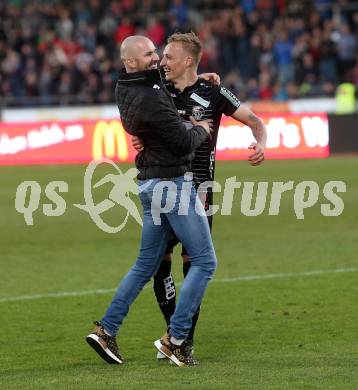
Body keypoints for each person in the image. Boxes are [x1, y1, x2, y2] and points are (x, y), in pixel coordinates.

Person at [132, 32, 267, 362]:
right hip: (163, 185)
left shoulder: (214, 92)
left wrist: (261, 143)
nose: (161, 62)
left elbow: (254, 120)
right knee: (158, 267)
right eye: (161, 57)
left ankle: (182, 339)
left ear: (188, 61)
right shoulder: (159, 89)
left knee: (194, 266)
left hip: (199, 191)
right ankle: (174, 334)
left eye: (168, 57)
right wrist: (139, 136)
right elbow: (133, 99)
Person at [86, 35, 218, 367]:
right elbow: (182, 143)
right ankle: (176, 339)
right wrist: (201, 127)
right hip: (171, 183)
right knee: (204, 262)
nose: (156, 58)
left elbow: (157, 88)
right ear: (131, 61)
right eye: (149, 54)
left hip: (148, 184)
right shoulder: (154, 99)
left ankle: (106, 331)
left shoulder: (126, 88)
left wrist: (201, 79)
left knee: (145, 265)